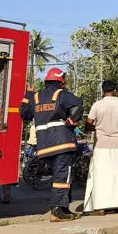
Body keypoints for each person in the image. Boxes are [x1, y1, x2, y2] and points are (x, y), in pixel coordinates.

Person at [19, 68, 85, 222]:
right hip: (62, 142)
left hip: (44, 145)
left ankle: (63, 208)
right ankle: (57, 210)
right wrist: (71, 123)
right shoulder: (60, 94)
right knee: (63, 175)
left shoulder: (35, 98)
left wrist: (27, 94)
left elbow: (24, 114)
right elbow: (78, 105)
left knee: (58, 176)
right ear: (60, 81)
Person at [82, 80, 118, 216]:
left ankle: (100, 207)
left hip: (101, 145)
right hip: (117, 145)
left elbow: (88, 125)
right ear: (115, 90)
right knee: (117, 174)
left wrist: (98, 128)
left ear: (103, 90)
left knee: (101, 176)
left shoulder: (97, 105)